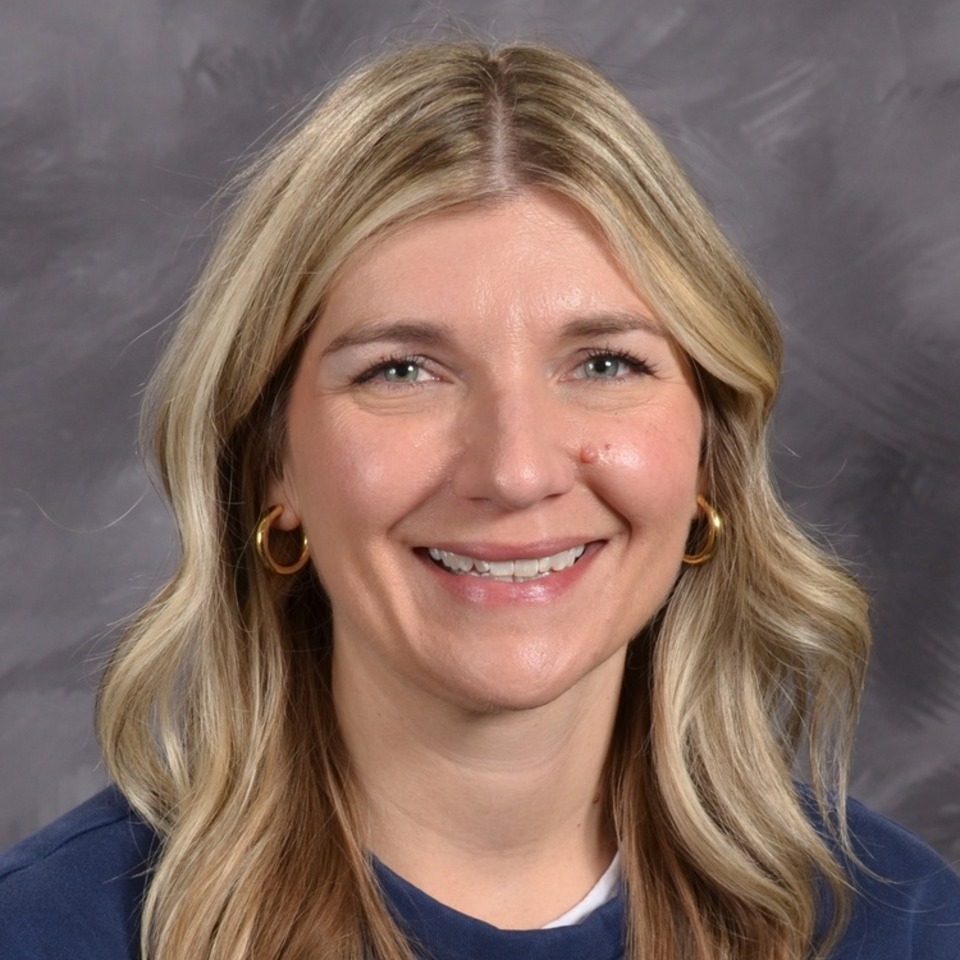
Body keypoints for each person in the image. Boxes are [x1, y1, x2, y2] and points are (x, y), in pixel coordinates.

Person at [1, 39, 957, 960]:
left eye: (604, 363)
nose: (514, 470)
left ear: (710, 454)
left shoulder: (905, 930)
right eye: (403, 370)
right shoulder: (46, 931)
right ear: (272, 466)